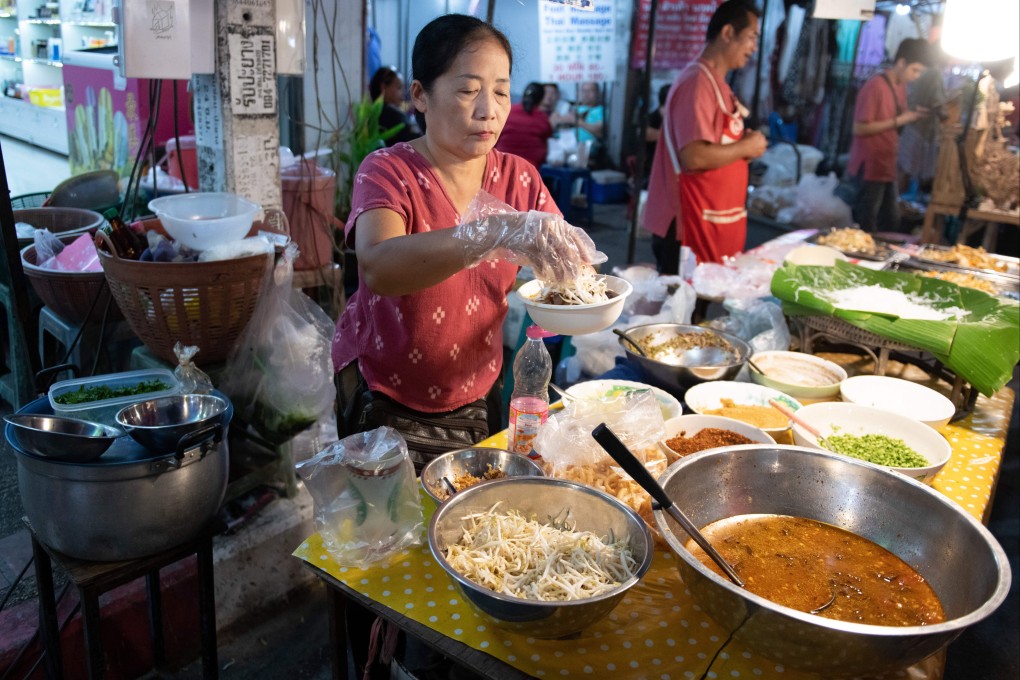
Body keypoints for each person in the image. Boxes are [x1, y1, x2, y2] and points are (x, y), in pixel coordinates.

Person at [334, 14, 597, 470]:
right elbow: (378, 266)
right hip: (387, 397)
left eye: (500, 91)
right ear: (420, 95)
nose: (488, 110)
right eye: (468, 90)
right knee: (392, 533)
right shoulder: (387, 171)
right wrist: (492, 233)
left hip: (479, 390)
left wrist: (574, 268)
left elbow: (570, 267)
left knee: (467, 520)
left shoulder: (519, 178)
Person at [643, 0, 768, 271]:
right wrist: (747, 146)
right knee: (682, 309)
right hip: (686, 222)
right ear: (727, 33)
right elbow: (694, 155)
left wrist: (740, 143)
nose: (753, 48)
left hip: (709, 218)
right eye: (751, 38)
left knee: (698, 307)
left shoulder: (717, 83)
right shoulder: (697, 82)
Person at [846, 38, 931, 232]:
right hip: (869, 166)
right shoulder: (875, 86)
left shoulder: (900, 86)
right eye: (915, 70)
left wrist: (912, 115)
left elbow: (894, 115)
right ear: (901, 63)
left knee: (890, 222)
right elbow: (859, 128)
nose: (916, 76)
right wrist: (900, 120)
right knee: (867, 224)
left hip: (886, 164)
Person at [495, 81, 553, 169]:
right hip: (530, 168)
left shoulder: (508, 111)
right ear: (541, 99)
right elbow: (549, 136)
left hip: (502, 163)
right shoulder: (542, 118)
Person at [368, 66, 419, 145]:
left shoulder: (371, 115)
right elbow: (418, 138)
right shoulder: (393, 115)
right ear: (384, 87)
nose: (403, 93)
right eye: (399, 88)